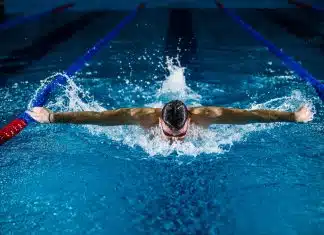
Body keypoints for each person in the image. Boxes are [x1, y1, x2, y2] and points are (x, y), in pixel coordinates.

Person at [27, 100, 313, 141]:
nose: (174, 138)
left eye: (179, 132)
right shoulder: (141, 116)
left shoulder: (207, 115)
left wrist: (293, 117)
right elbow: (97, 118)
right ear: (160, 120)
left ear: (189, 118)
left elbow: (253, 117)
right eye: (168, 131)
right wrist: (52, 116)